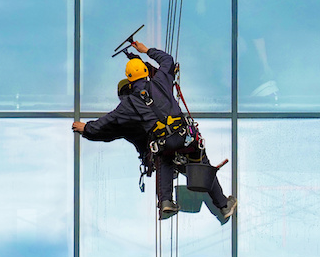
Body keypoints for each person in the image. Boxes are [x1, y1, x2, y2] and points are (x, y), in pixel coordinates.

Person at [73, 40, 237, 222]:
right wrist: (146, 50)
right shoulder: (161, 81)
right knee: (202, 164)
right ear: (146, 73)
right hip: (185, 138)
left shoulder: (128, 105)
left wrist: (86, 128)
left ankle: (166, 201)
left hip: (163, 143)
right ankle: (223, 205)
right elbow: (167, 60)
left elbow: (108, 121)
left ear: (128, 79)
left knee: (164, 158)